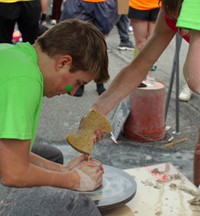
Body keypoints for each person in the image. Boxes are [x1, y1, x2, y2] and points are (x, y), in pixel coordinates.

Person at [80, 0, 200, 185]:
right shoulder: (170, 12)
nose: (182, 31)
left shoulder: (193, 9)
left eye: (186, 22)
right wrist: (97, 110)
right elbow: (139, 66)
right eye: (178, 21)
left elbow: (195, 78)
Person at [0, 19, 109, 192]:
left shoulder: (15, 54)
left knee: (54, 157)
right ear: (63, 63)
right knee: (77, 207)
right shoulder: (25, 81)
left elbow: (7, 152)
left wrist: (63, 170)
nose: (72, 92)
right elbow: (14, 173)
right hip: (12, 172)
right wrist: (73, 180)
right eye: (77, 82)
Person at [60, 0, 117, 97]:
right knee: (80, 43)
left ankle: (100, 79)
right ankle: (80, 81)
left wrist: (123, 7)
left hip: (103, 3)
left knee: (100, 44)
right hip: (79, 2)